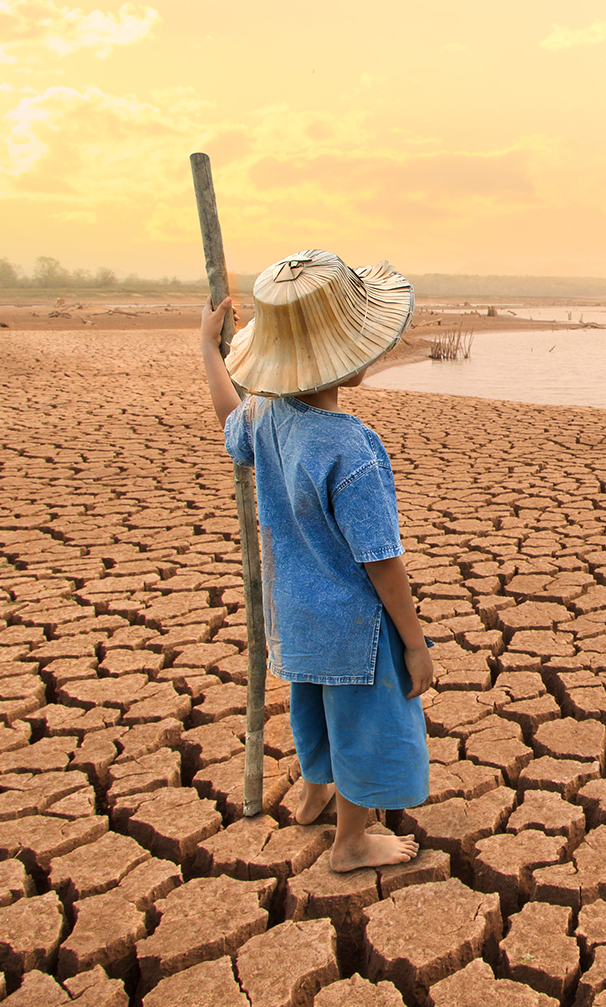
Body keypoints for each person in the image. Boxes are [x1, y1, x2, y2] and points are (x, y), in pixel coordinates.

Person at [199, 250, 434, 872]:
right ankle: (351, 841)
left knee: (311, 707)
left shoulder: (268, 418)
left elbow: (231, 418)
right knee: (362, 723)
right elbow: (381, 559)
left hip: (292, 612)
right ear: (351, 357)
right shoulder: (350, 446)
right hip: (352, 624)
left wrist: (209, 350)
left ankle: (312, 794)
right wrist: (413, 641)